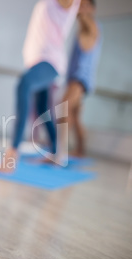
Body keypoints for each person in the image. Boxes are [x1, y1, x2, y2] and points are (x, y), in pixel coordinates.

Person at [0, 0, 81, 172]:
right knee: (43, 109)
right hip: (36, 62)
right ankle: (57, 154)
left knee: (24, 84)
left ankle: (13, 152)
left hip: (49, 62)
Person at [58, 0, 102, 159]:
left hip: (80, 78)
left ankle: (59, 151)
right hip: (76, 78)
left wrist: (80, 13)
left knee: (63, 107)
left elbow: (87, 45)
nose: (78, 8)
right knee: (75, 116)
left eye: (83, 5)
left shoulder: (92, 25)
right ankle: (80, 150)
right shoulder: (84, 26)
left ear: (91, 8)